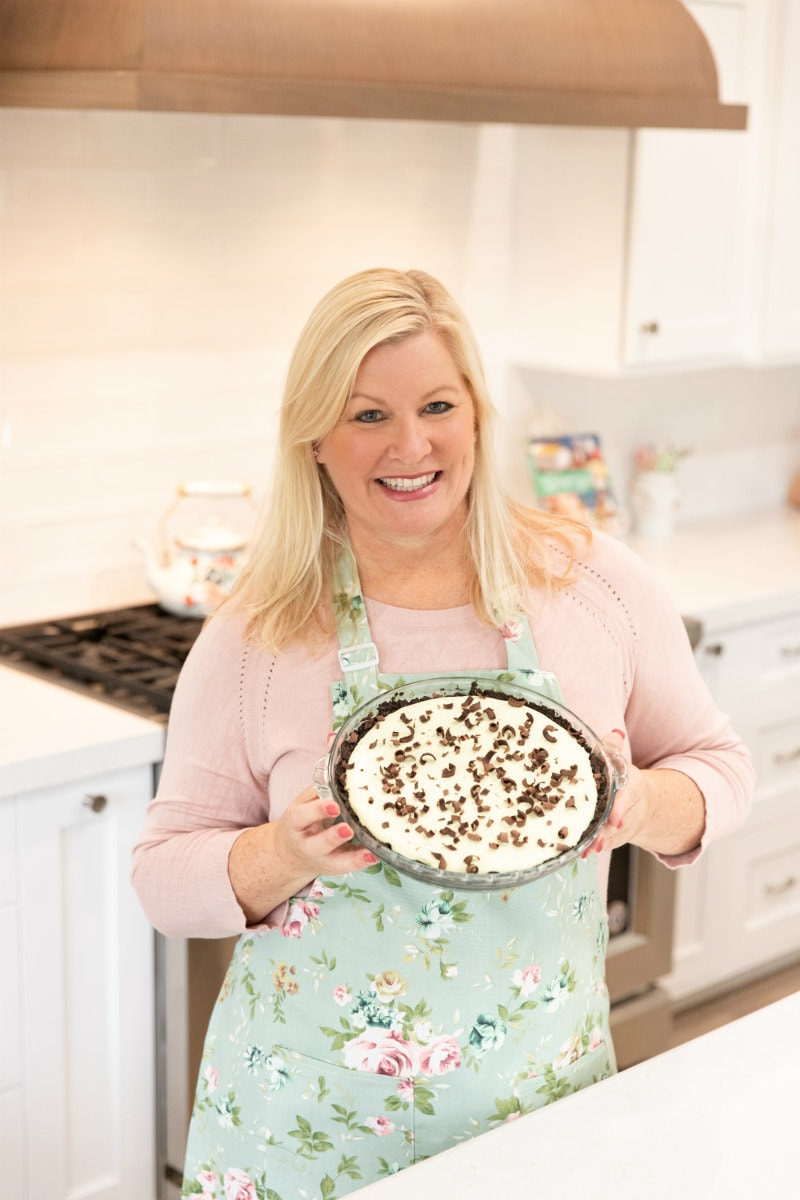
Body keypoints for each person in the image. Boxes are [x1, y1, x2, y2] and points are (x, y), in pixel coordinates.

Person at [131, 268, 754, 1200]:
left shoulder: (594, 585)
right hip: (306, 1130)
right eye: (367, 415)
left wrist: (642, 803)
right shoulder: (256, 636)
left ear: (477, 414)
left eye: (437, 404)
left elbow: (720, 767)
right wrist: (278, 853)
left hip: (540, 1111)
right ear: (315, 441)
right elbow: (161, 878)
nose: (411, 444)